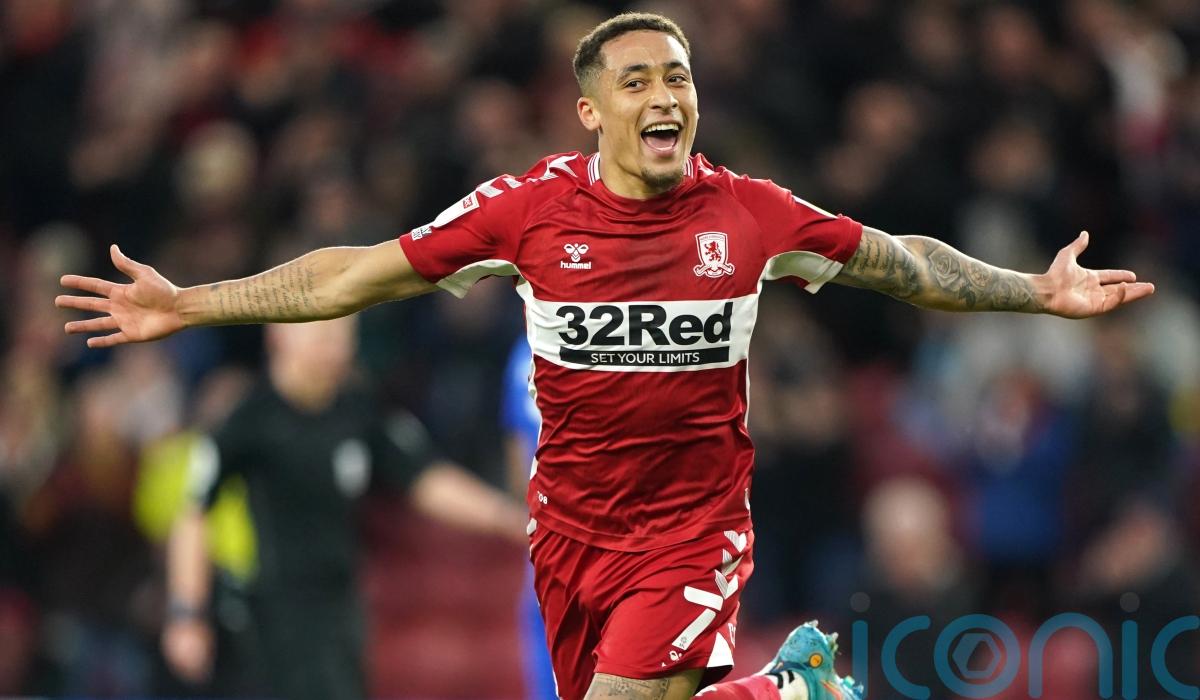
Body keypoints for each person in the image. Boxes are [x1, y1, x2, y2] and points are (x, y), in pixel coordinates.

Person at [57, 12, 1154, 700]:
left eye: (678, 76)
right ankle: (788, 690)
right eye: (636, 81)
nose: (665, 96)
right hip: (570, 534)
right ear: (590, 110)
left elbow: (901, 264)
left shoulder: (750, 213)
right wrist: (193, 303)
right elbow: (352, 275)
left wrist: (1033, 291)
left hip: (692, 527)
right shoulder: (526, 212)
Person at [160, 316, 526, 700]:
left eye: (342, 333)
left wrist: (508, 518)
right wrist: (187, 612)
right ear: (280, 334)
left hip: (342, 606)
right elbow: (194, 512)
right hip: (271, 613)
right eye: (321, 332)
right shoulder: (249, 420)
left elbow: (425, 478)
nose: (332, 345)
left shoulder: (360, 412)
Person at [501, 336, 559, 700]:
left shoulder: (528, 348)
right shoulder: (625, 338)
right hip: (606, 535)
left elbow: (516, 447)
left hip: (550, 538)